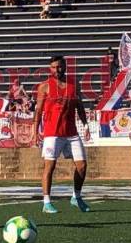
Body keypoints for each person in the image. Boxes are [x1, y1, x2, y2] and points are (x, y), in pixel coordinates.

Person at [33, 55, 91, 214]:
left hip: (71, 132)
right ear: (49, 69)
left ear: (64, 66)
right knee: (49, 166)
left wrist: (85, 125)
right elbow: (38, 111)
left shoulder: (74, 84)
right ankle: (46, 202)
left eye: (59, 66)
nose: (56, 70)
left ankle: (76, 197)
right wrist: (35, 131)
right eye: (53, 67)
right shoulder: (44, 86)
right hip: (52, 134)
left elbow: (79, 106)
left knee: (82, 165)